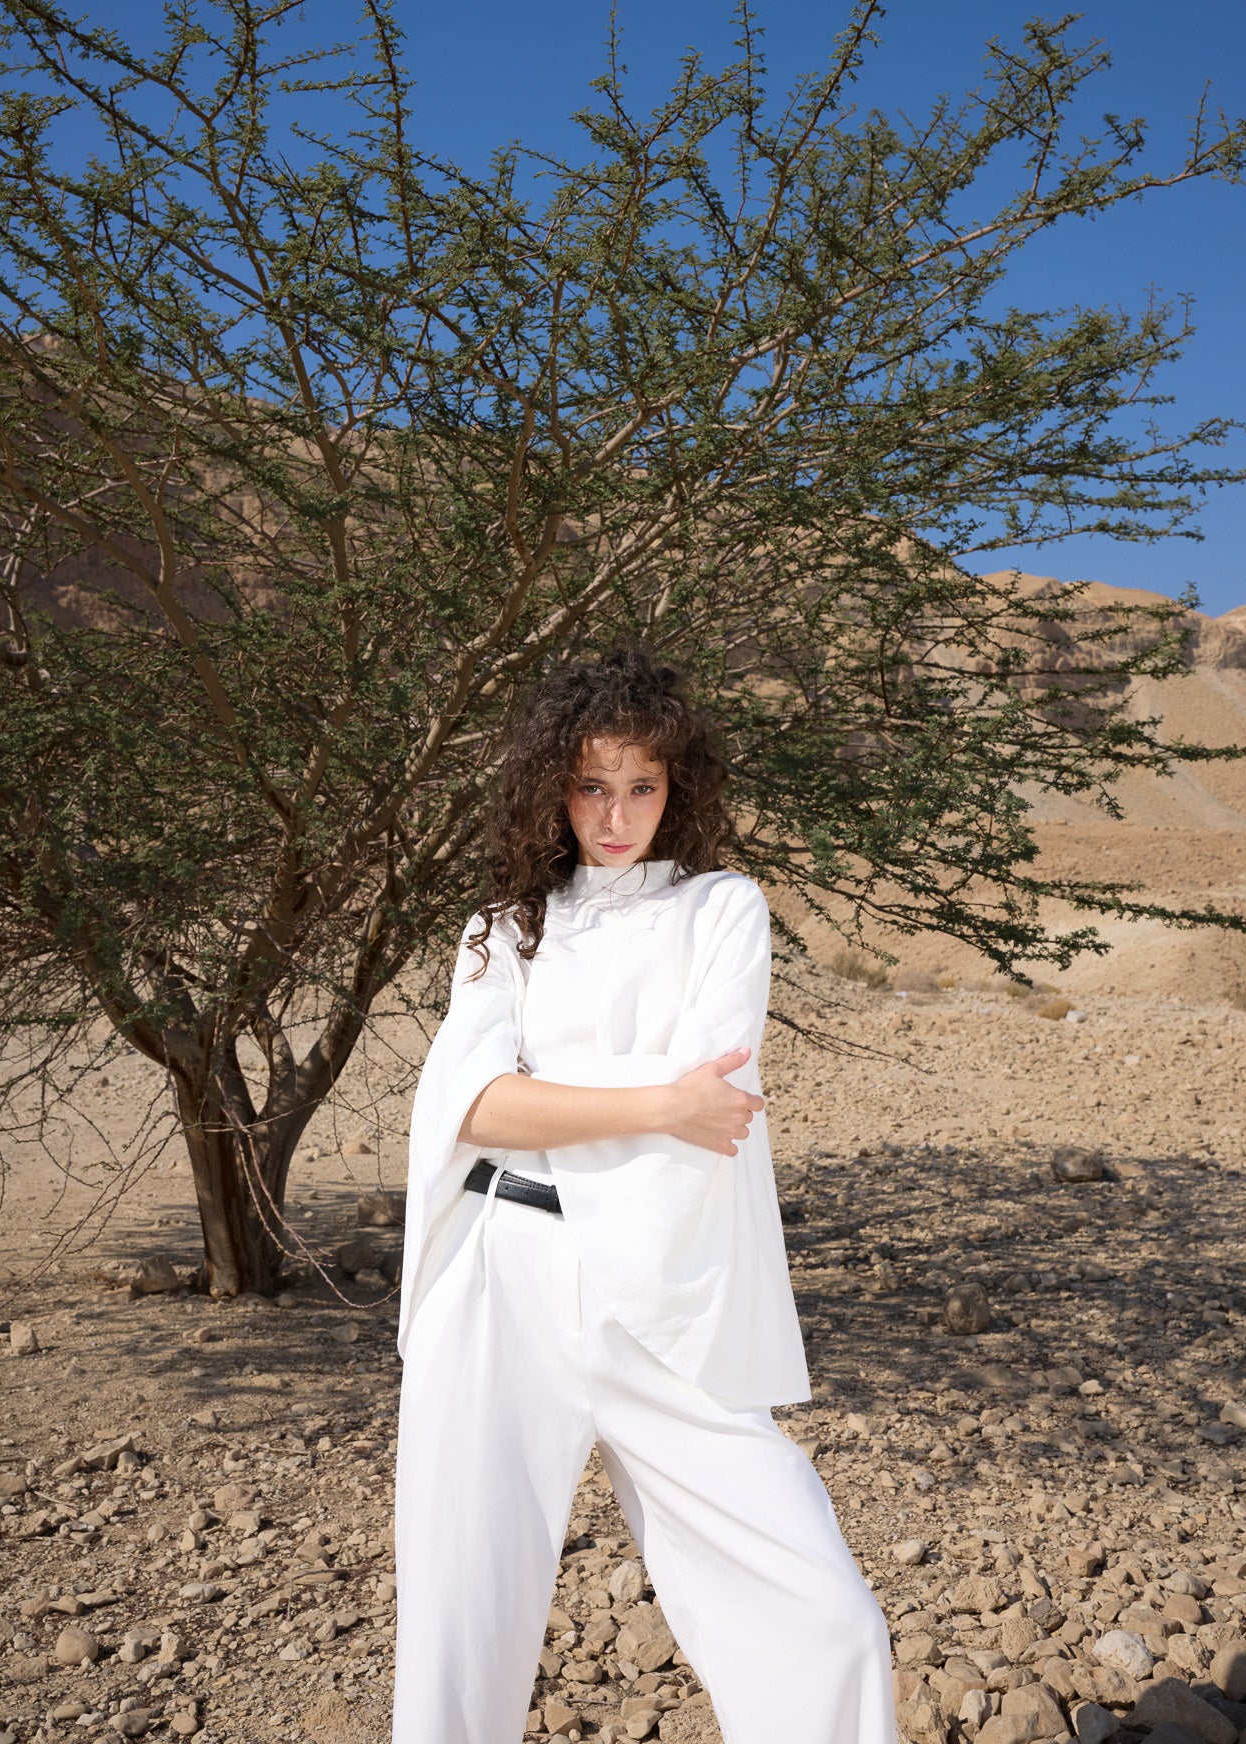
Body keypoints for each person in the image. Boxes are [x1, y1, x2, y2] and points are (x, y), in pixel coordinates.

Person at [391, 645, 895, 1744]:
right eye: (590, 784)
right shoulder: (500, 930)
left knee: (827, 1613)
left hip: (662, 1295)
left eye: (641, 786)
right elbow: (469, 1112)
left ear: (678, 788)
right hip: (501, 1277)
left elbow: (714, 1091)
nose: (615, 815)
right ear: (551, 789)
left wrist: (551, 1092)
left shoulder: (722, 908)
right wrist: (653, 1101)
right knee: (455, 1618)